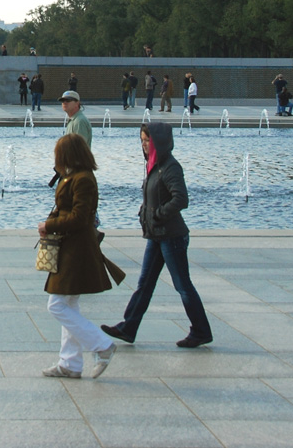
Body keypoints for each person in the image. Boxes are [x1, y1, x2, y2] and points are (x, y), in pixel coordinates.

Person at [102, 122, 213, 348]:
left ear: (158, 142)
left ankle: (201, 331)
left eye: (147, 140)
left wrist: (159, 214)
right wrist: (146, 212)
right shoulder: (155, 166)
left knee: (183, 285)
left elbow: (181, 199)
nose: (143, 145)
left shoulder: (171, 167)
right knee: (145, 284)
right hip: (157, 235)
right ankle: (128, 327)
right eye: (141, 140)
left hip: (171, 236)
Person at [38, 133, 116, 380]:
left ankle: (102, 345)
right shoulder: (75, 176)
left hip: (76, 250)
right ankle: (70, 363)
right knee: (69, 303)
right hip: (72, 248)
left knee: (57, 305)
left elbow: (80, 218)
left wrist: (50, 225)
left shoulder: (82, 180)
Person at [49, 91, 92, 188]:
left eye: (68, 100)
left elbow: (79, 150)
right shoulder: (73, 120)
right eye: (63, 101)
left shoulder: (79, 122)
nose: (64, 103)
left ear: (77, 103)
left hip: (77, 173)